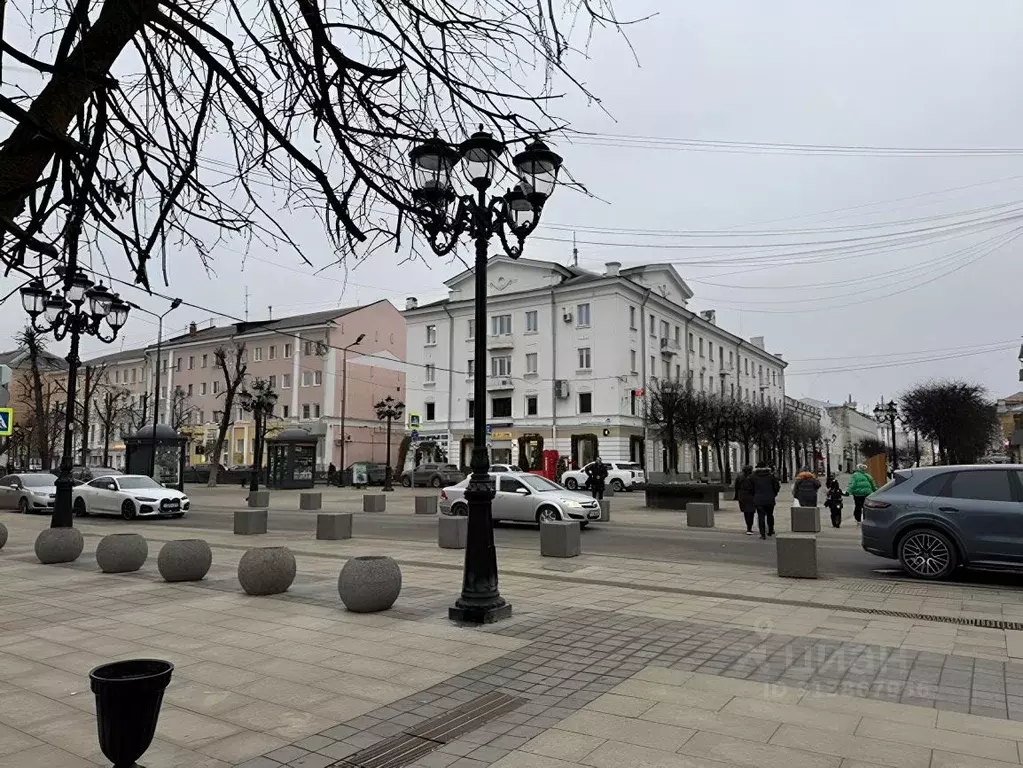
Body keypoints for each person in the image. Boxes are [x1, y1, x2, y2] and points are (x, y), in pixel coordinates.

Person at [750, 461, 780, 539]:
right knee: (770, 514)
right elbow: (777, 487)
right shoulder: (771, 476)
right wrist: (774, 494)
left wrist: (755, 495)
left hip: (758, 499)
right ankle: (770, 530)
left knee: (761, 516)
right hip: (770, 499)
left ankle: (762, 534)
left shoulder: (752, 477)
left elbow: (750, 488)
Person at [734, 465, 756, 535]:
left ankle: (748, 527)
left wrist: (737, 496)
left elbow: (736, 487)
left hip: (742, 496)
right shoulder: (753, 477)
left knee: (746, 512)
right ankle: (750, 528)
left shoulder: (739, 477)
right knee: (751, 512)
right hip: (751, 496)